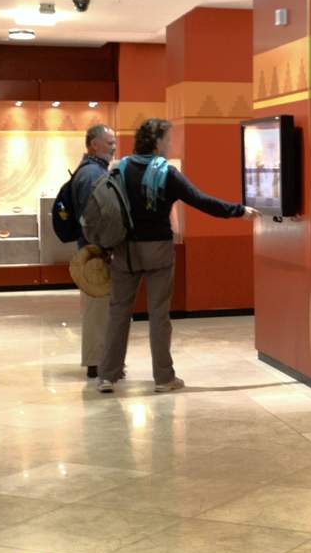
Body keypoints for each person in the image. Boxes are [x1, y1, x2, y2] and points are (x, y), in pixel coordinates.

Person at [97, 118, 257, 393]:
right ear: (158, 142)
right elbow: (201, 201)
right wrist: (238, 211)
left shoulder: (119, 169)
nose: (170, 145)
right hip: (158, 250)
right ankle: (163, 378)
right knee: (159, 315)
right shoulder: (166, 173)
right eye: (168, 139)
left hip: (125, 251)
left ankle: (107, 376)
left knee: (118, 312)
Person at [72, 123, 117, 379]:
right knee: (97, 310)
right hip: (95, 253)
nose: (114, 146)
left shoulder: (93, 170)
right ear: (93, 145)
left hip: (94, 251)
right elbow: (95, 215)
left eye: (114, 141)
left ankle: (101, 360)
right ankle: (97, 362)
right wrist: (105, 245)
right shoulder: (91, 174)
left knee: (100, 309)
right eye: (109, 142)